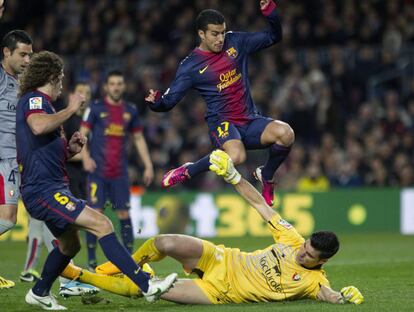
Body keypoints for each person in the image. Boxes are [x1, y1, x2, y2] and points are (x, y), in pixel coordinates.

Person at [61, 150, 364, 305]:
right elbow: (261, 205)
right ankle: (123, 265)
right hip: (222, 258)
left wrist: (345, 296)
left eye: (310, 256)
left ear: (322, 262)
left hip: (218, 291)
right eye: (305, 247)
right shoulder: (291, 237)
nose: (301, 253)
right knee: (163, 242)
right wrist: (233, 177)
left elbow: (329, 295)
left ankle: (75, 274)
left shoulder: (313, 283)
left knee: (147, 290)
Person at [16, 51, 176, 310]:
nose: (63, 83)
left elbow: (43, 149)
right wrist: (70, 108)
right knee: (102, 223)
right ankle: (146, 285)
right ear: (53, 77)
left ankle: (39, 291)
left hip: (50, 186)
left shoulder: (46, 107)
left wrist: (71, 150)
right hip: (43, 190)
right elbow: (37, 126)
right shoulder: (35, 100)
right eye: (62, 77)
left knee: (69, 246)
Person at [145, 0, 294, 207]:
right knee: (237, 156)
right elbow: (168, 102)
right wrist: (156, 102)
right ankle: (189, 170)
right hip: (222, 123)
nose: (220, 38)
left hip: (249, 120)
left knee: (286, 133)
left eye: (223, 32)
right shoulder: (190, 66)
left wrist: (271, 15)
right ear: (201, 34)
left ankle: (266, 175)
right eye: (215, 34)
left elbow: (274, 36)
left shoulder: (236, 42)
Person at [19, 82, 98, 297]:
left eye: (88, 93)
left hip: (74, 180)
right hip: (58, 180)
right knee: (57, 233)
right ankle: (60, 280)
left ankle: (63, 279)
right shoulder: (65, 116)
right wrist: (85, 155)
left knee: (66, 236)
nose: (84, 97)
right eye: (80, 92)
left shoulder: (85, 119)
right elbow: (54, 148)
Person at [80, 70, 154, 270]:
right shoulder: (95, 108)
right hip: (98, 172)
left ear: (123, 86)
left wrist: (148, 164)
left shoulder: (130, 110)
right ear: (106, 86)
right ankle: (92, 261)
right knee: (95, 214)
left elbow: (138, 138)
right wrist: (85, 157)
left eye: (119, 83)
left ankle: (129, 260)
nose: (116, 87)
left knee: (124, 213)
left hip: (120, 173)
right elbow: (82, 134)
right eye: (112, 83)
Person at [0, 1, 33, 288]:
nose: (27, 60)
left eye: (30, 55)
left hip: (16, 160)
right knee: (8, 220)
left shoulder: (22, 82)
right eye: (22, 54)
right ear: (6, 53)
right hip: (3, 160)